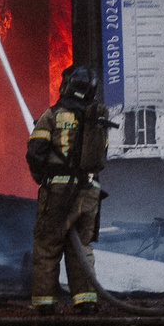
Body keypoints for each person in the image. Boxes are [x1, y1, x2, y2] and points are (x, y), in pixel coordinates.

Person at [25, 65, 111, 313]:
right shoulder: (98, 118)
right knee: (80, 246)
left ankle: (44, 304)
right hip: (90, 190)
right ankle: (85, 301)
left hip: (59, 191)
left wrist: (43, 178)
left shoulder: (52, 115)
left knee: (47, 244)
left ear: (67, 85)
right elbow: (101, 156)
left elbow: (35, 153)